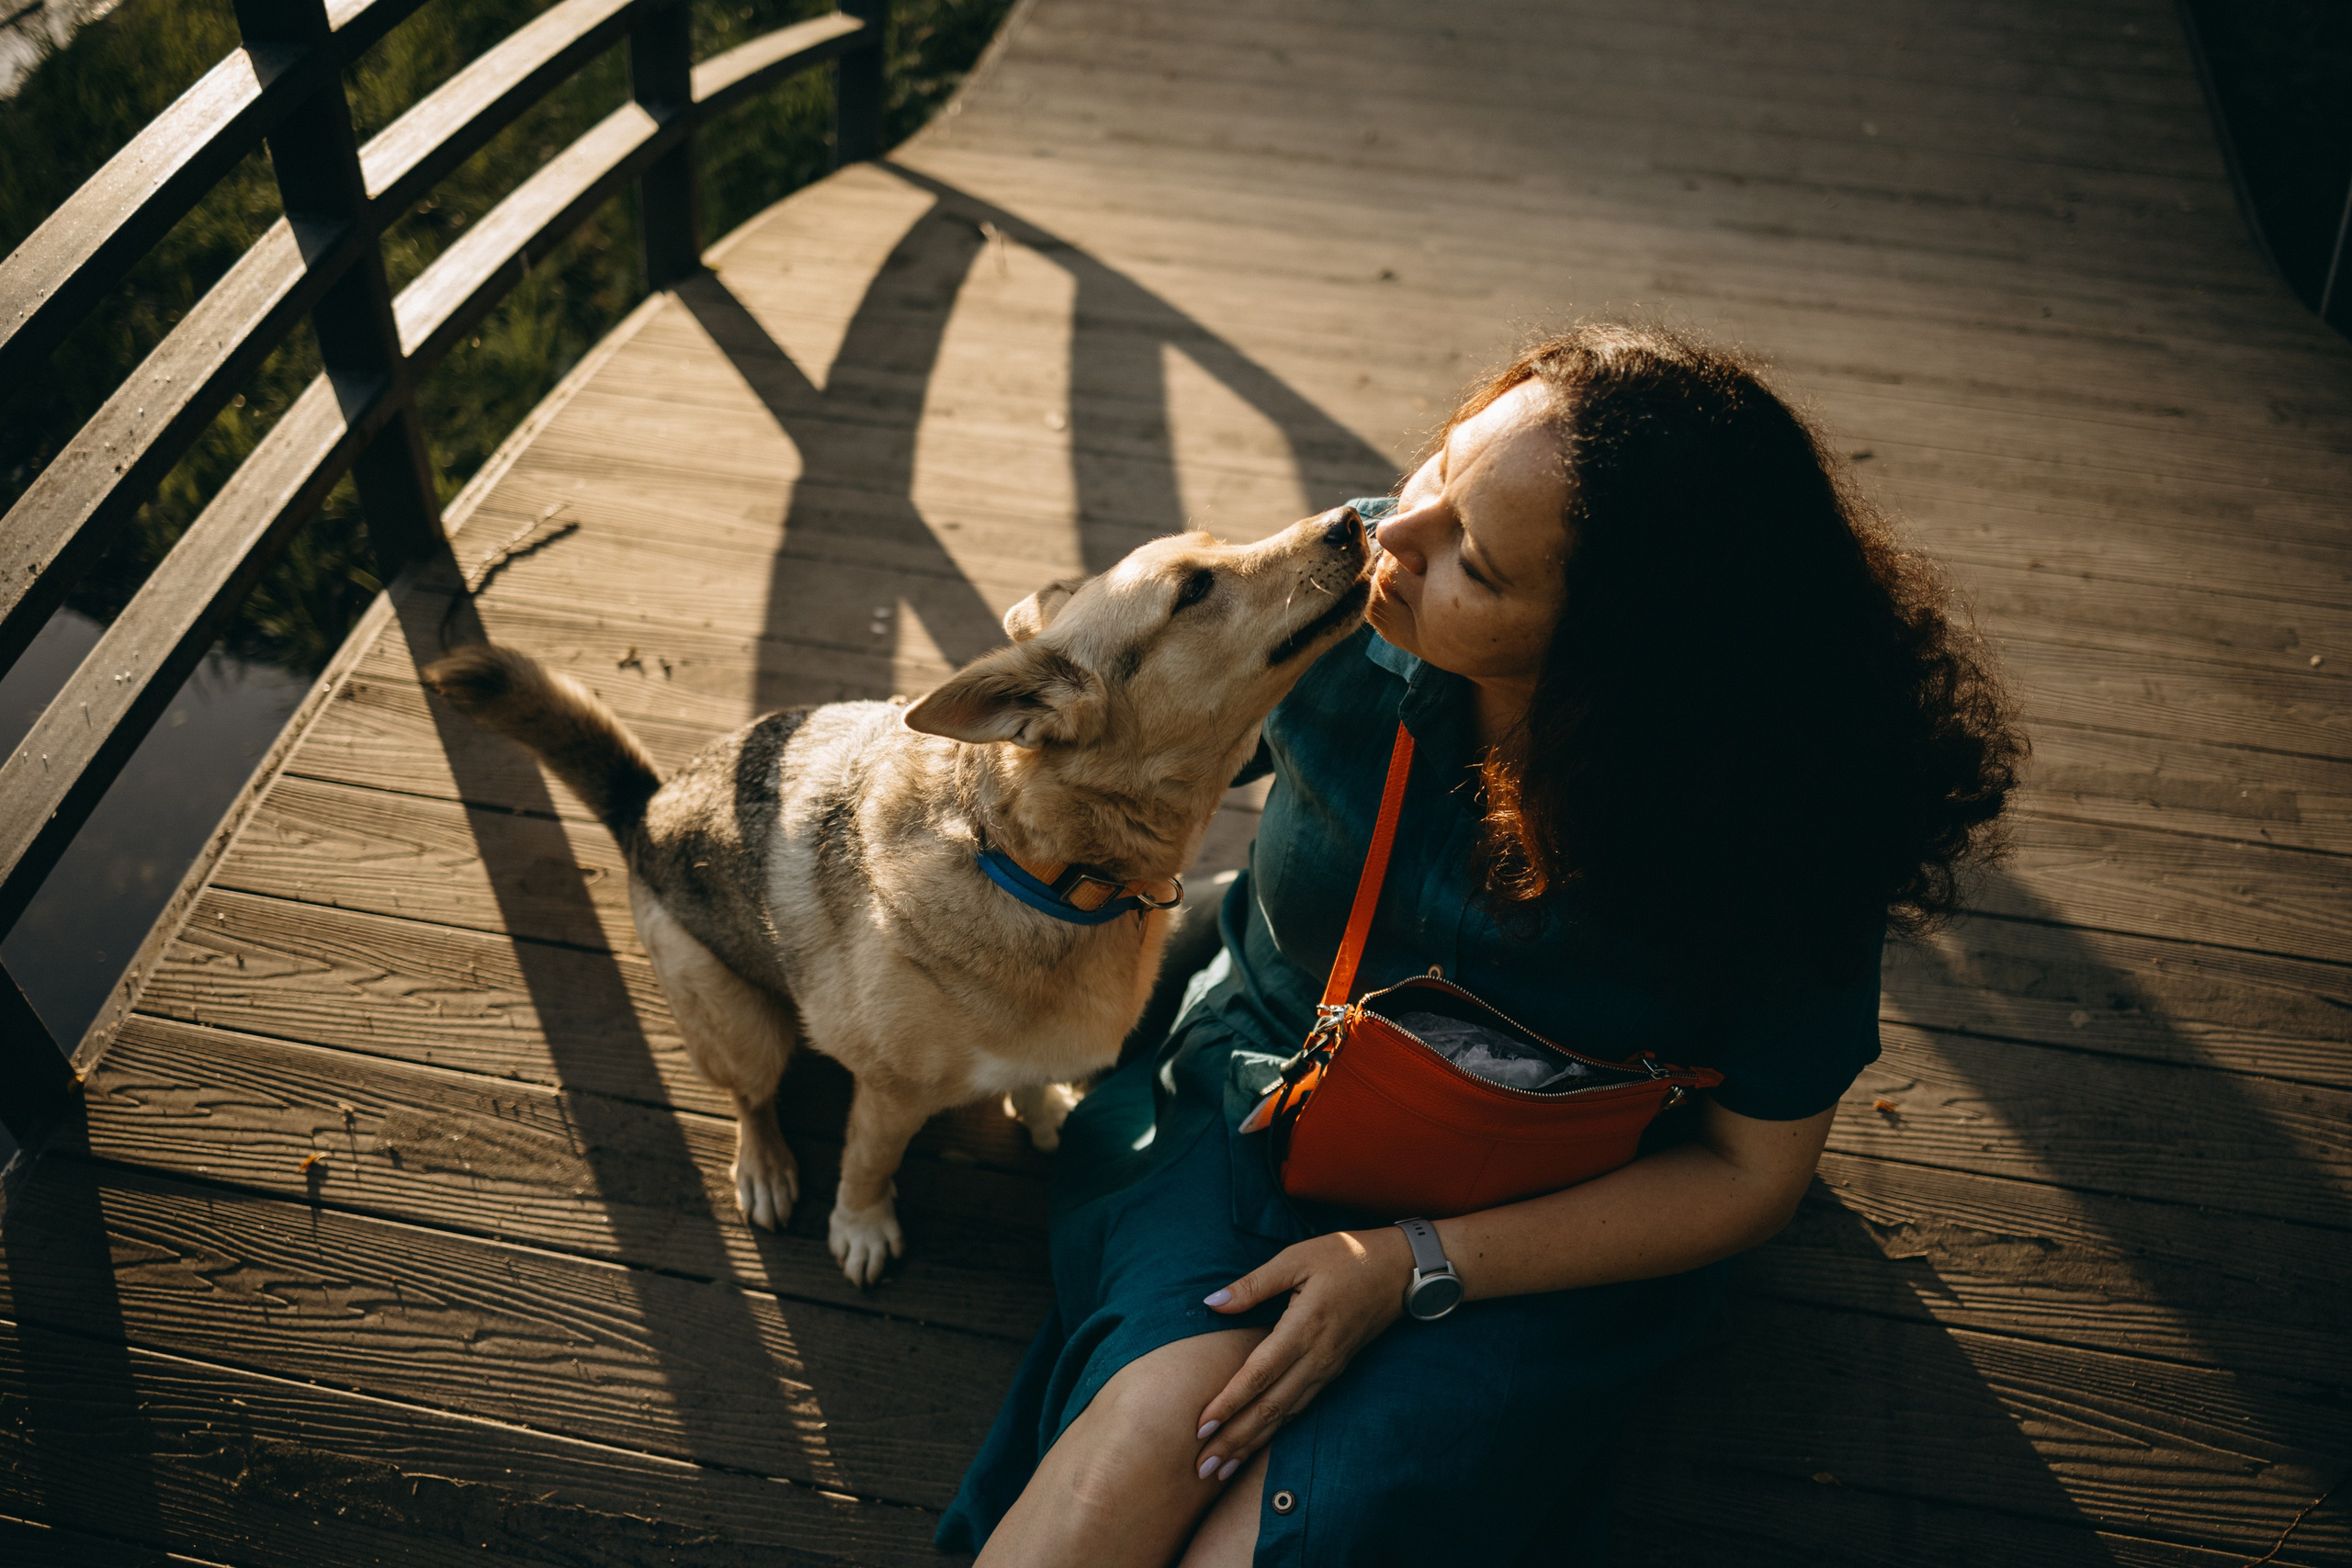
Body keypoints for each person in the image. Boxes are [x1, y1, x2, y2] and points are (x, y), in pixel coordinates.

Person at [935, 324, 2023, 1566]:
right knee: (1145, 1436)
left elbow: (1746, 1173)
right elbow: (1119, 751)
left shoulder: (1775, 836)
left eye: (1479, 564)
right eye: (1437, 471)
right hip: (1258, 1096)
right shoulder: (1351, 589)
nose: (1392, 536)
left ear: (1621, 661)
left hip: (1550, 1216)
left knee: (1294, 1533)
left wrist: (1414, 1267)